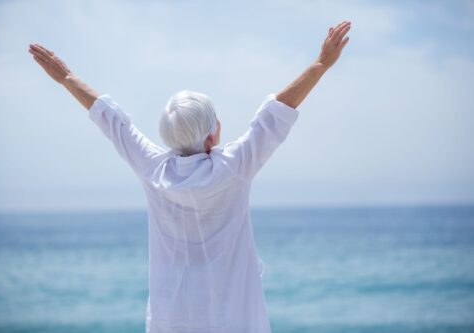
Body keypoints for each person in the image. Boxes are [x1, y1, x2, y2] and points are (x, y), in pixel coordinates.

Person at [29, 20, 351, 333]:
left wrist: (66, 77)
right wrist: (321, 63)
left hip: (170, 319)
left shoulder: (153, 168)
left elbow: (112, 121)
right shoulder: (233, 167)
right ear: (212, 136)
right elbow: (275, 114)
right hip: (231, 319)